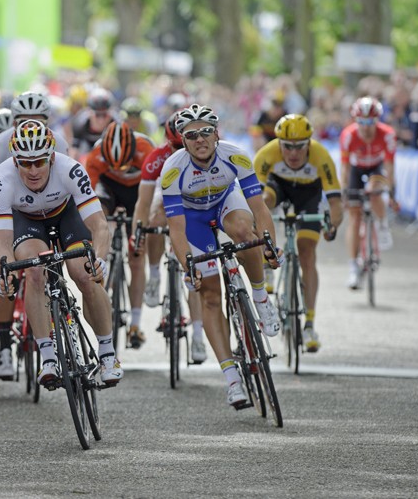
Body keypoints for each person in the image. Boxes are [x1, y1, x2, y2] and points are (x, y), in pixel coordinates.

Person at [160, 104, 281, 408]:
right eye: (191, 135)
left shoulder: (234, 155)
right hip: (193, 220)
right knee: (210, 296)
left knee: (244, 231)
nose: (199, 139)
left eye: (205, 132)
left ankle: (260, 297)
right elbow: (176, 230)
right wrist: (188, 265)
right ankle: (232, 379)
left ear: (216, 133)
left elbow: (259, 209)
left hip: (227, 202)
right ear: (183, 141)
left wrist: (269, 246)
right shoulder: (173, 170)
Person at [0, 120, 123, 387]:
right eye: (25, 163)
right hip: (27, 222)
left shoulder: (70, 169)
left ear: (51, 157)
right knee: (35, 271)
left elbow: (99, 224)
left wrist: (99, 258)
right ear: (15, 162)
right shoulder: (2, 180)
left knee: (84, 274)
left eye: (39, 162)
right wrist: (5, 271)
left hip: (66, 215)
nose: (33, 170)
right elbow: (2, 241)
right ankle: (48, 357)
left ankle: (107, 353)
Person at [0, 92, 71, 378]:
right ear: (13, 121)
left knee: (58, 259)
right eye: (22, 120)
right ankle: (5, 343)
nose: (29, 125)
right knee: (5, 267)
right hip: (14, 211)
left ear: (47, 122)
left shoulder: (60, 143)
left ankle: (62, 308)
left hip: (54, 208)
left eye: (37, 120)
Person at [253, 114, 343, 352]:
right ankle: (266, 261)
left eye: (300, 147)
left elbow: (335, 202)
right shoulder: (266, 154)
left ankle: (310, 323)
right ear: (279, 143)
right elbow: (251, 200)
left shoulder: (321, 157)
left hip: (309, 196)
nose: (293, 153)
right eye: (287, 147)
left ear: (309, 144)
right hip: (278, 188)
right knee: (264, 200)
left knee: (307, 252)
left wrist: (332, 226)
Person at [132, 111, 207, 363]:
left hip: (196, 204)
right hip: (169, 202)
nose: (181, 150)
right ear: (168, 142)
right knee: (154, 219)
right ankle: (154, 275)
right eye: (176, 146)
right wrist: (138, 233)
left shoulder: (206, 152)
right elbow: (143, 204)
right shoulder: (158, 159)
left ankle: (198, 336)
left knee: (195, 272)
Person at [84, 121, 154, 349]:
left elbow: (153, 197)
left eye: (124, 165)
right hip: (109, 190)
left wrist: (140, 229)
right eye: (115, 166)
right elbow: (87, 202)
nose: (120, 169)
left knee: (136, 256)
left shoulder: (146, 150)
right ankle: (104, 277)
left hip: (137, 193)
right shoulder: (95, 156)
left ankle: (135, 324)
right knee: (100, 219)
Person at [339, 97, 399, 289]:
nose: (366, 127)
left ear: (377, 120)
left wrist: (391, 191)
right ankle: (353, 267)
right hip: (356, 169)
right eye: (362, 122)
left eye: (370, 122)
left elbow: (390, 167)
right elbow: (345, 168)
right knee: (355, 218)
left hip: (376, 168)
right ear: (356, 120)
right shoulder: (348, 135)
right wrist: (345, 192)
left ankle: (381, 225)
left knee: (375, 190)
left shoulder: (387, 134)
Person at [71, 87, 116, 157]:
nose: (101, 120)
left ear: (110, 113)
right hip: (87, 148)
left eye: (104, 115)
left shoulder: (117, 122)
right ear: (89, 113)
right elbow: (74, 150)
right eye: (97, 115)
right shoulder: (79, 122)